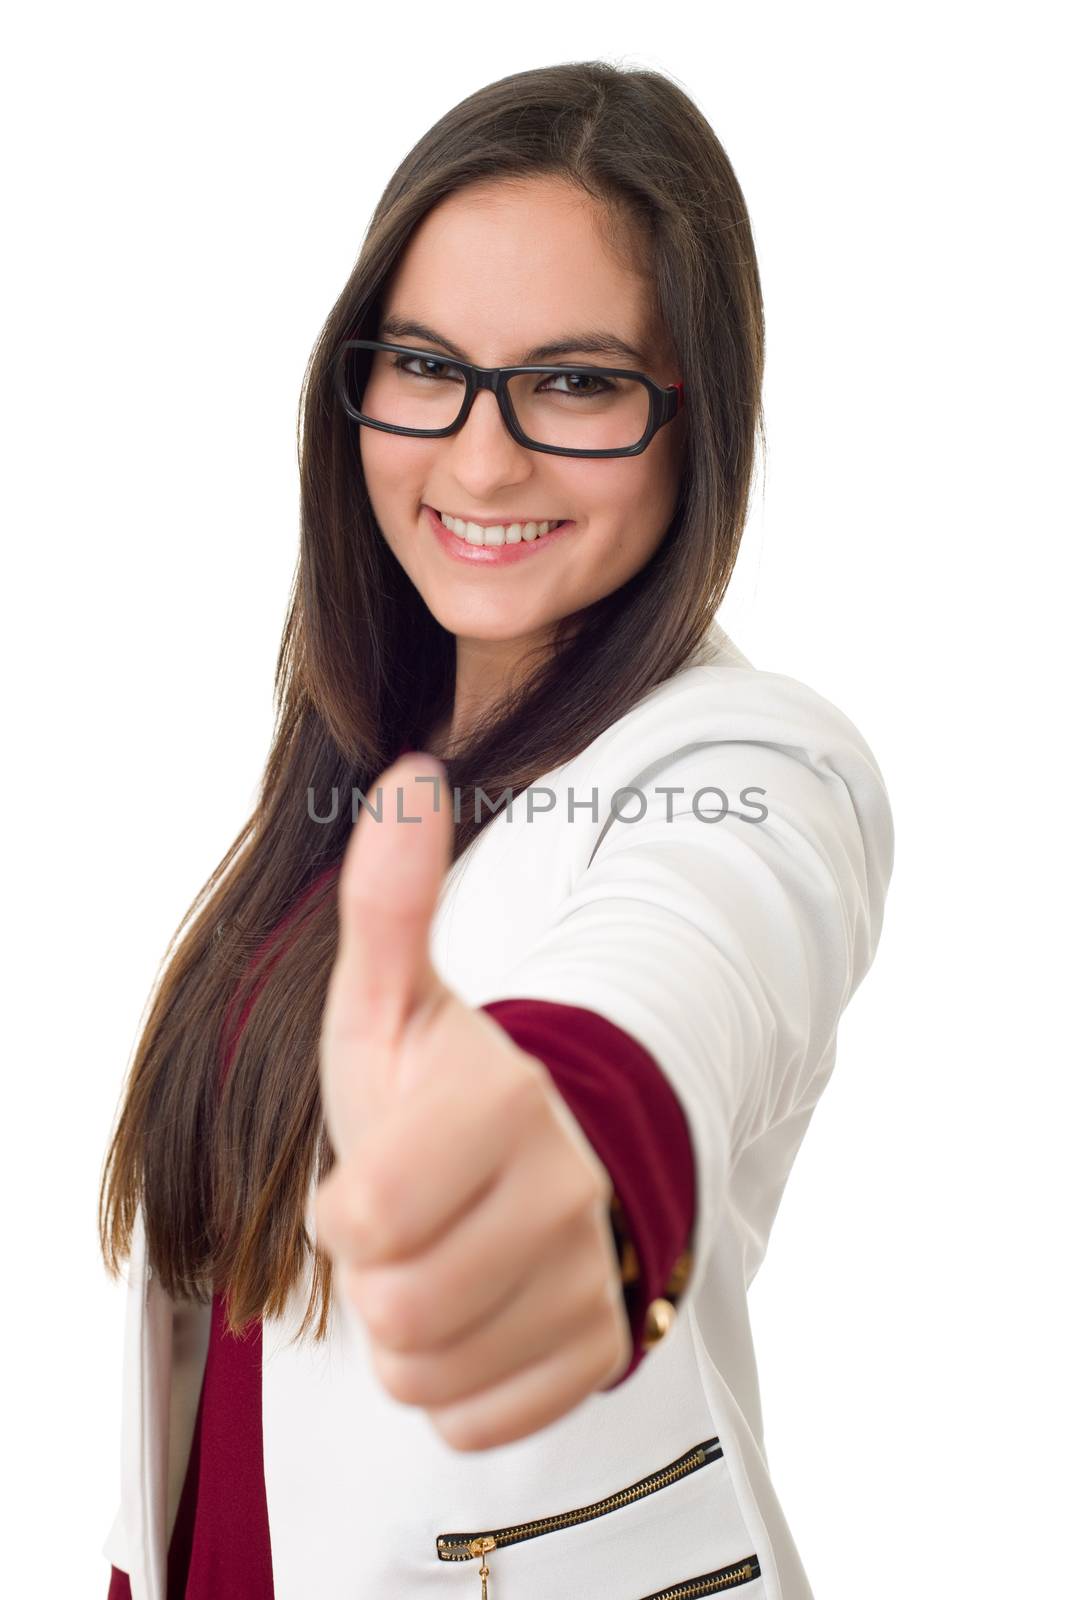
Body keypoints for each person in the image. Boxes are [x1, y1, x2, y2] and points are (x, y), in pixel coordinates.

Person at [99, 59, 894, 1600]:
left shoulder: (760, 762)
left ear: (696, 419)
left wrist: (577, 1155)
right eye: (425, 365)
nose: (479, 457)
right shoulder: (355, 769)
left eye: (577, 381)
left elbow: (678, 981)